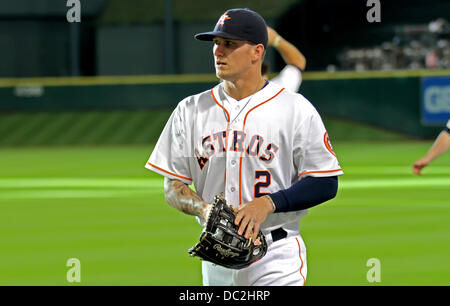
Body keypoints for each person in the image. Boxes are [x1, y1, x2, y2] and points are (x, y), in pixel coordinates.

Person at [145, 8, 343, 286]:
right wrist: (204, 210)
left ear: (257, 52)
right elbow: (172, 186)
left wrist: (268, 203)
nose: (218, 51)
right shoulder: (189, 110)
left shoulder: (295, 108)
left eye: (230, 44)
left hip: (276, 254)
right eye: (216, 43)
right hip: (217, 258)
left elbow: (325, 182)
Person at [263, 26, 306, 93]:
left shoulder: (276, 91)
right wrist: (275, 39)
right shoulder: (276, 92)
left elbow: (298, 64)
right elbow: (298, 63)